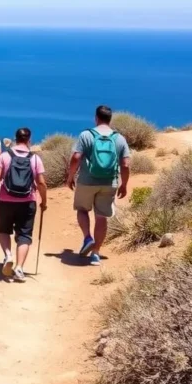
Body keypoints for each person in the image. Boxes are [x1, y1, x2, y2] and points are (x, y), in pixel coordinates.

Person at [66, 105, 131, 266]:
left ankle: (87, 237)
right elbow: (126, 164)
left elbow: (76, 157)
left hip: (87, 181)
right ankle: (96, 253)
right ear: (110, 119)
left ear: (96, 118)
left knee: (82, 209)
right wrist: (124, 185)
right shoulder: (119, 138)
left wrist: (70, 176)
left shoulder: (86, 135)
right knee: (101, 216)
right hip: (109, 182)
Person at [0, 127, 47, 282]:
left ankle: (8, 255)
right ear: (29, 140)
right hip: (28, 201)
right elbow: (41, 183)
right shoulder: (35, 159)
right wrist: (44, 201)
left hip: (5, 200)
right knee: (24, 235)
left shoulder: (4, 156)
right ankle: (20, 268)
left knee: (4, 230)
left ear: (15, 139)